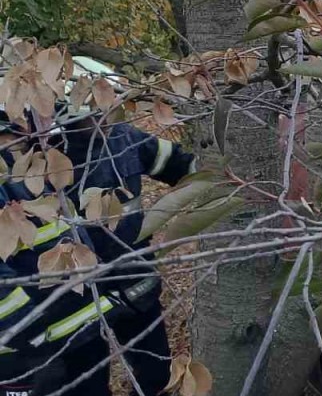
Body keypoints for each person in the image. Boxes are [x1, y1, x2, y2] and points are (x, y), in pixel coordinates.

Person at [0, 102, 196, 395]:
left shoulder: (121, 138)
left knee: (156, 378)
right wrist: (32, 335)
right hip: (65, 323)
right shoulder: (13, 167)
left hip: (134, 293)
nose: (100, 123)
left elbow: (181, 165)